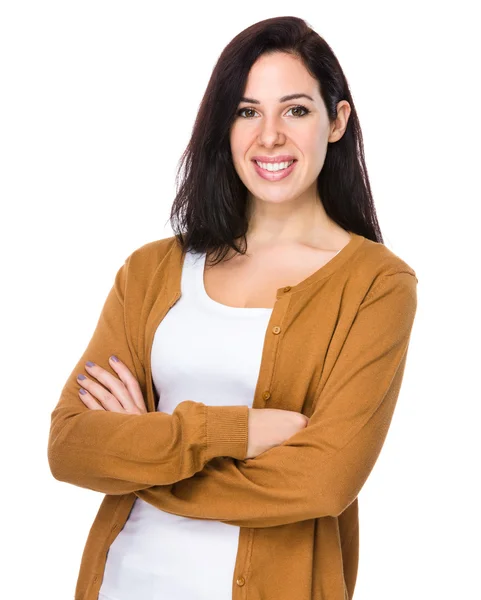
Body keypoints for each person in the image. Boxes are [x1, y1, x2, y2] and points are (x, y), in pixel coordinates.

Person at [47, 15, 418, 600]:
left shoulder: (377, 284)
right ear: (224, 125)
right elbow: (70, 445)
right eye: (247, 111)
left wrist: (146, 457)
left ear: (337, 121)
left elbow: (322, 483)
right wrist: (238, 430)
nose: (269, 135)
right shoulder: (151, 271)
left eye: (295, 110)